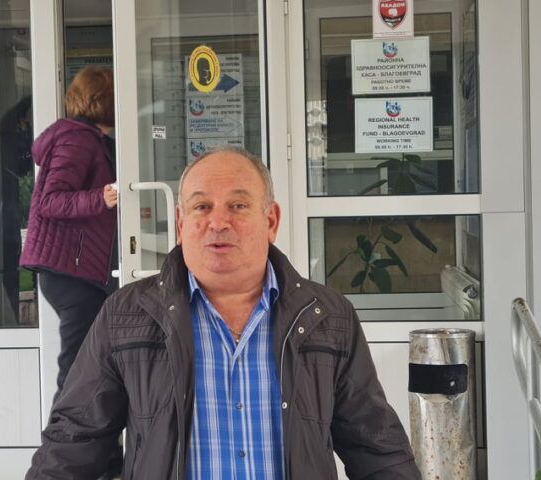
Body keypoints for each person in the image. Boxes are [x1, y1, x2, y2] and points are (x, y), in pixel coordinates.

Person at [26, 147, 421, 479]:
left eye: (238, 205)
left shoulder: (327, 317)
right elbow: (75, 439)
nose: (218, 222)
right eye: (201, 206)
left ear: (271, 221)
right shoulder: (127, 314)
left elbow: (377, 449)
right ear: (181, 224)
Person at [20, 67, 121, 477]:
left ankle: (104, 459)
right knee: (79, 373)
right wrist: (101, 198)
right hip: (69, 272)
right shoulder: (77, 139)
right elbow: (51, 201)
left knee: (93, 367)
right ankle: (57, 466)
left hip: (78, 271)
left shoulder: (91, 138)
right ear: (105, 101)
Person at [0, 95, 33, 325]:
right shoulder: (9, 144)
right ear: (24, 116)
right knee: (13, 279)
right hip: (13, 225)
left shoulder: (27, 140)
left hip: (22, 223)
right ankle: (17, 327)